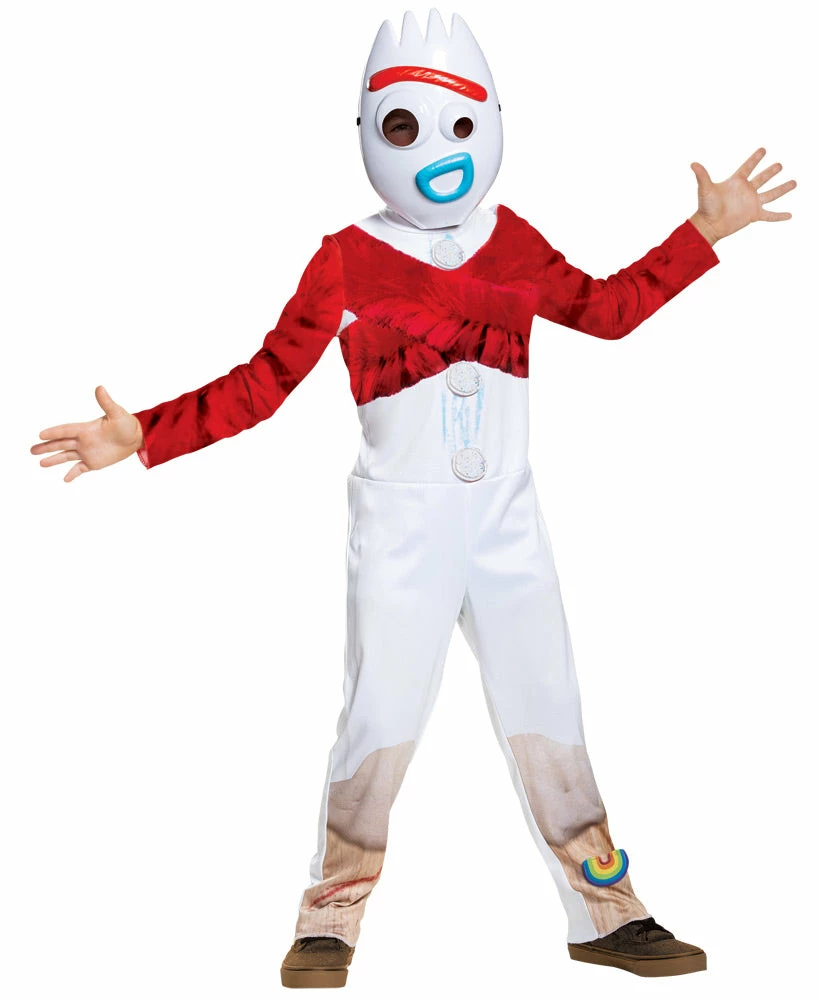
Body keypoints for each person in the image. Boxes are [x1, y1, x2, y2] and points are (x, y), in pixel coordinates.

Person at [31, 7, 796, 987]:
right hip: (401, 528)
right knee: (379, 720)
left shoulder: (512, 239)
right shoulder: (345, 259)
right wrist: (144, 431)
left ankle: (608, 912)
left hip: (508, 522)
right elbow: (265, 381)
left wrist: (702, 233)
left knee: (550, 710)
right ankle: (329, 921)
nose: (437, 150)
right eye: (405, 125)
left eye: (461, 122)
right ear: (367, 132)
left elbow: (605, 311)